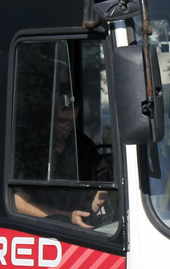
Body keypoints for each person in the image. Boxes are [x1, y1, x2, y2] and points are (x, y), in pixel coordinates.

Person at [12, 92, 111, 228]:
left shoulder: (84, 146)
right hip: (43, 228)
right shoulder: (33, 151)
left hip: (83, 228)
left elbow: (104, 185)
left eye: (71, 121)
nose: (66, 126)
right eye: (61, 121)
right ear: (49, 118)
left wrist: (90, 212)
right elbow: (19, 204)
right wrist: (67, 216)